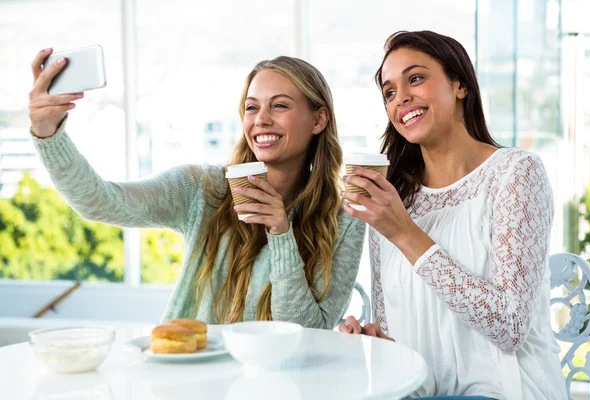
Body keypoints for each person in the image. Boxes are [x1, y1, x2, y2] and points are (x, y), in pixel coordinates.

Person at [28, 50, 365, 328]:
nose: (260, 119)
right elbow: (101, 202)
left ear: (319, 120)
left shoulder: (346, 220)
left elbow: (307, 334)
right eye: (251, 107)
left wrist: (280, 233)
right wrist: (48, 133)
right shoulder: (203, 189)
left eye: (279, 105)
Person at [338, 31, 567, 399]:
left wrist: (405, 233)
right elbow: (395, 332)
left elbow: (509, 326)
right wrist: (374, 342)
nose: (402, 98)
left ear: (459, 85)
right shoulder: (394, 197)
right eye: (389, 92)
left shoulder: (515, 172)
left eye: (415, 78)